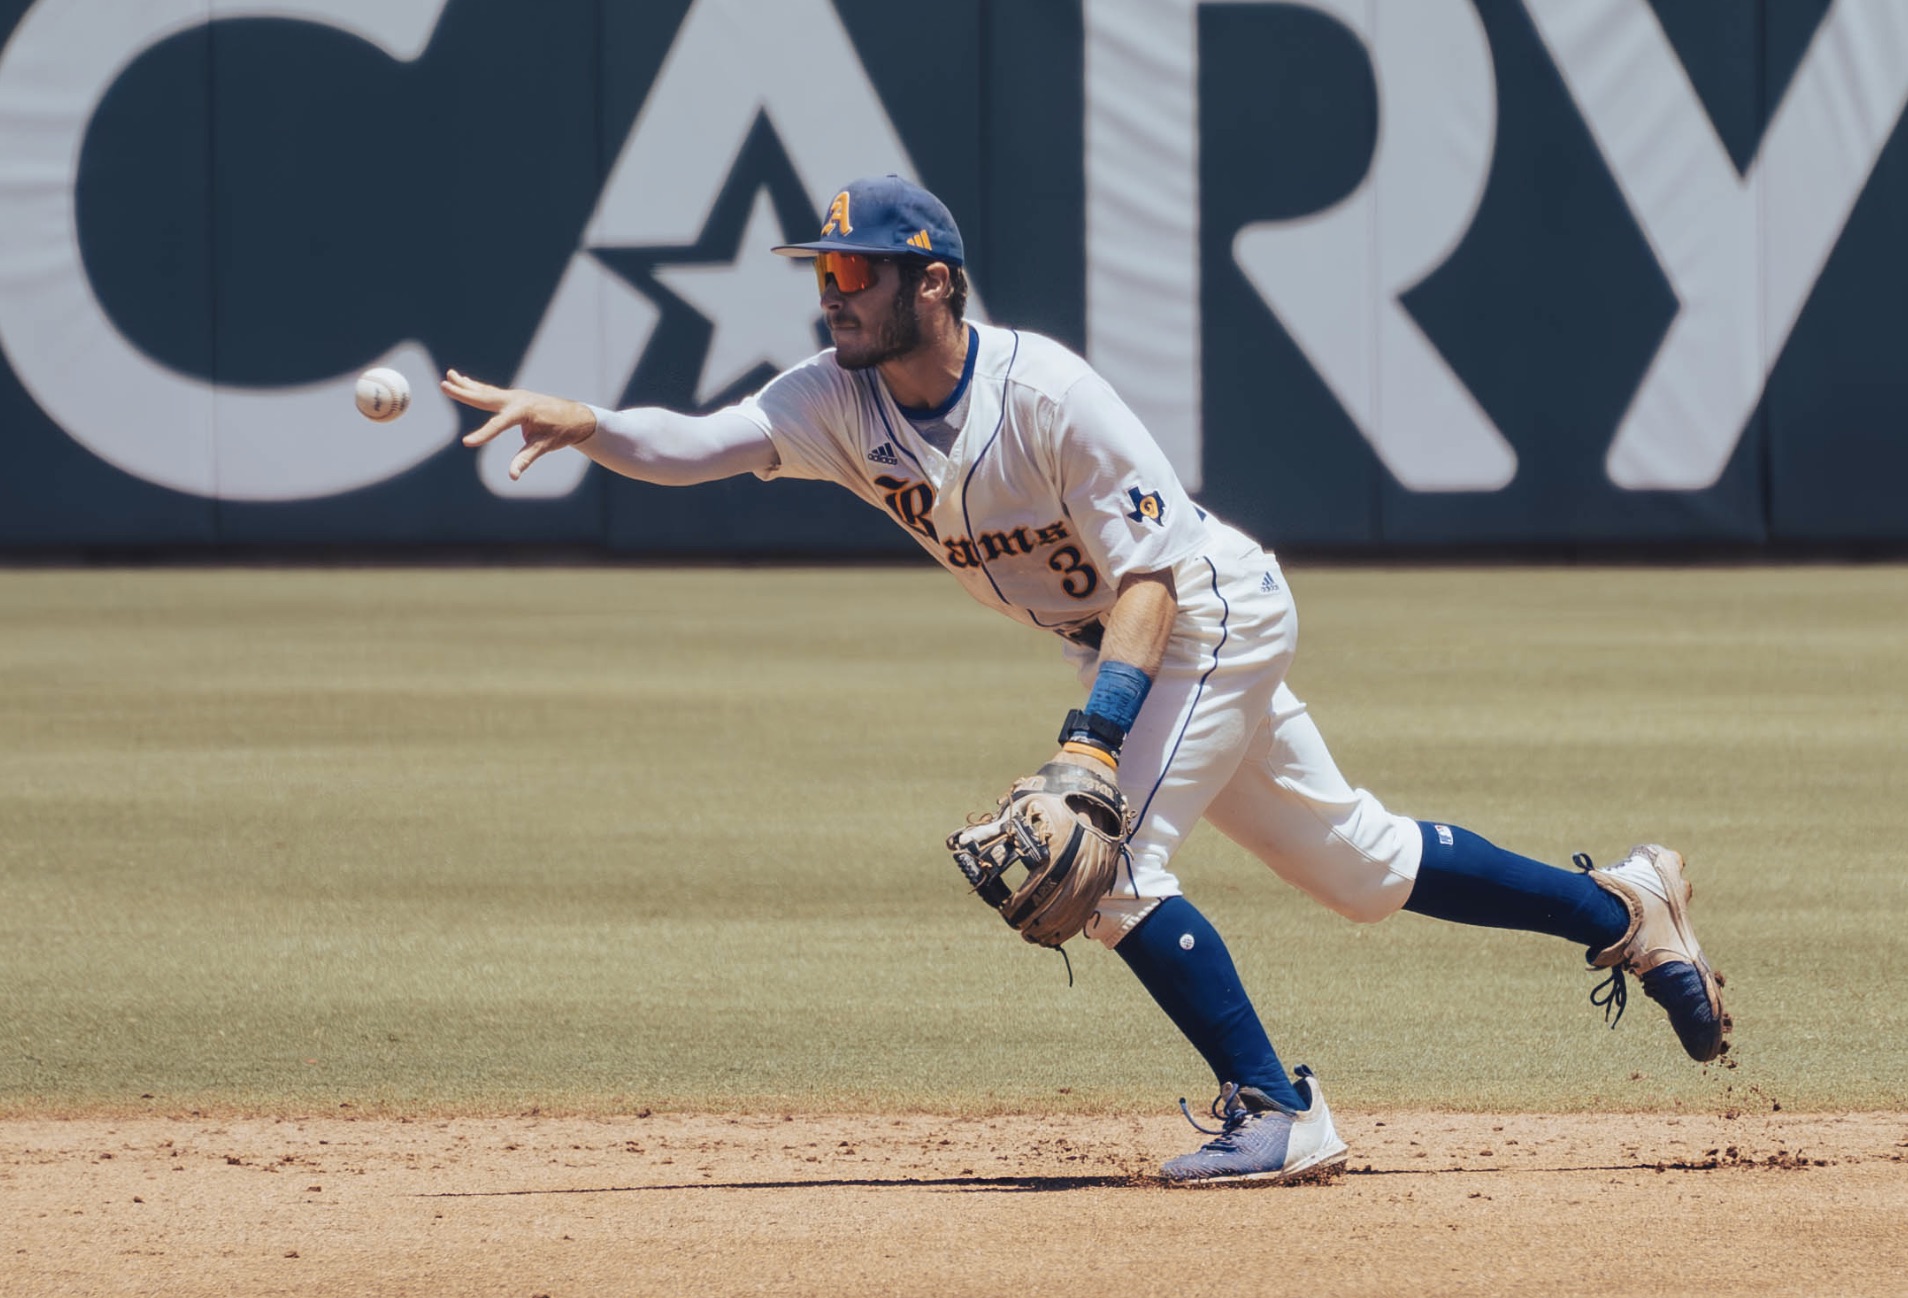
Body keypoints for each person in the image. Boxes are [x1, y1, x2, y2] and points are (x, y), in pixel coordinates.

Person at [443, 174, 1730, 1186]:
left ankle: (1277, 1109)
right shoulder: (836, 399)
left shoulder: (1048, 391)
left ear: (933, 284)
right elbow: (704, 440)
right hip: (1122, 637)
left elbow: (1152, 584)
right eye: (821, 272)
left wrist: (1092, 747)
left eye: (852, 272)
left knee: (1100, 859)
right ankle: (1623, 905)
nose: (829, 295)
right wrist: (592, 425)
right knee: (1362, 865)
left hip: (1199, 614)